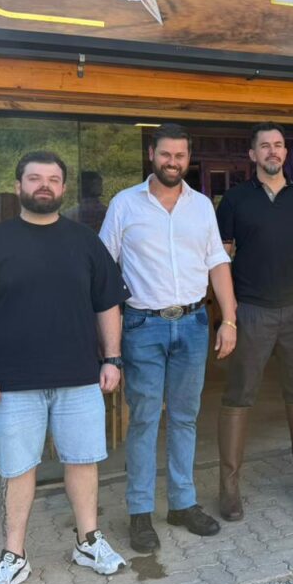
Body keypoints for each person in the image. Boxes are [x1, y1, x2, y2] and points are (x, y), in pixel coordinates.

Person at [0, 150, 130, 584]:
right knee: (17, 469)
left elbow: (107, 303)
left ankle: (88, 541)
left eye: (52, 179)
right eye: (34, 178)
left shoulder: (85, 241)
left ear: (63, 188)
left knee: (83, 461)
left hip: (79, 378)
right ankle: (14, 556)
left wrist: (112, 358)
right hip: (11, 383)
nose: (44, 185)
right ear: (19, 187)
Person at [99, 123, 237, 553]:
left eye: (179, 155)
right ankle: (140, 512)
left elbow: (217, 262)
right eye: (165, 154)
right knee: (143, 419)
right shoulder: (124, 204)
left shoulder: (202, 206)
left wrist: (229, 320)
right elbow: (103, 268)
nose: (172, 162)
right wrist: (108, 339)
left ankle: (182, 503)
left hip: (194, 324)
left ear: (187, 158)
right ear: (152, 155)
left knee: (185, 417)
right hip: (143, 325)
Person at [214, 122, 293, 521]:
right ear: (253, 155)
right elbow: (221, 258)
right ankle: (229, 488)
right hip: (253, 311)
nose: (273, 151)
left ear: (285, 152)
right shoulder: (234, 200)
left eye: (278, 145)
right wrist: (230, 313)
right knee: (239, 395)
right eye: (264, 146)